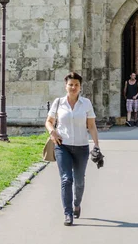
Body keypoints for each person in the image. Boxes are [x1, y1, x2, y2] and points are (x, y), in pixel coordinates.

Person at [45, 72, 100, 226]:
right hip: (63, 146)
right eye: (71, 84)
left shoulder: (86, 104)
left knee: (79, 181)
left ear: (80, 87)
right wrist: (52, 131)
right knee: (66, 179)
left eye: (76, 85)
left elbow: (91, 126)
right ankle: (67, 213)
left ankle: (77, 204)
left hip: (82, 147)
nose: (73, 87)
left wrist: (96, 145)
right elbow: (49, 121)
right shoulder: (58, 103)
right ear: (66, 86)